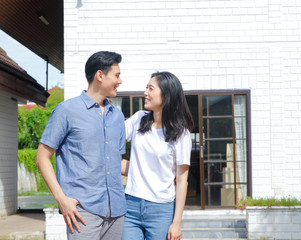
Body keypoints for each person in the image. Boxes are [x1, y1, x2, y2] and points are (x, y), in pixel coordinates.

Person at [36, 51, 127, 239]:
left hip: (116, 210)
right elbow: (41, 158)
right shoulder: (66, 111)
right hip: (82, 211)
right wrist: (62, 199)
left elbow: (117, 162)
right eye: (117, 75)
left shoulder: (117, 116)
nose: (120, 81)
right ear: (100, 75)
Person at [121, 71, 194, 240]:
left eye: (151, 88)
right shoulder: (139, 119)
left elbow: (182, 180)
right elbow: (109, 140)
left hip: (161, 210)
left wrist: (176, 223)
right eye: (146, 88)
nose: (145, 92)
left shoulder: (181, 134)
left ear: (166, 95)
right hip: (131, 204)